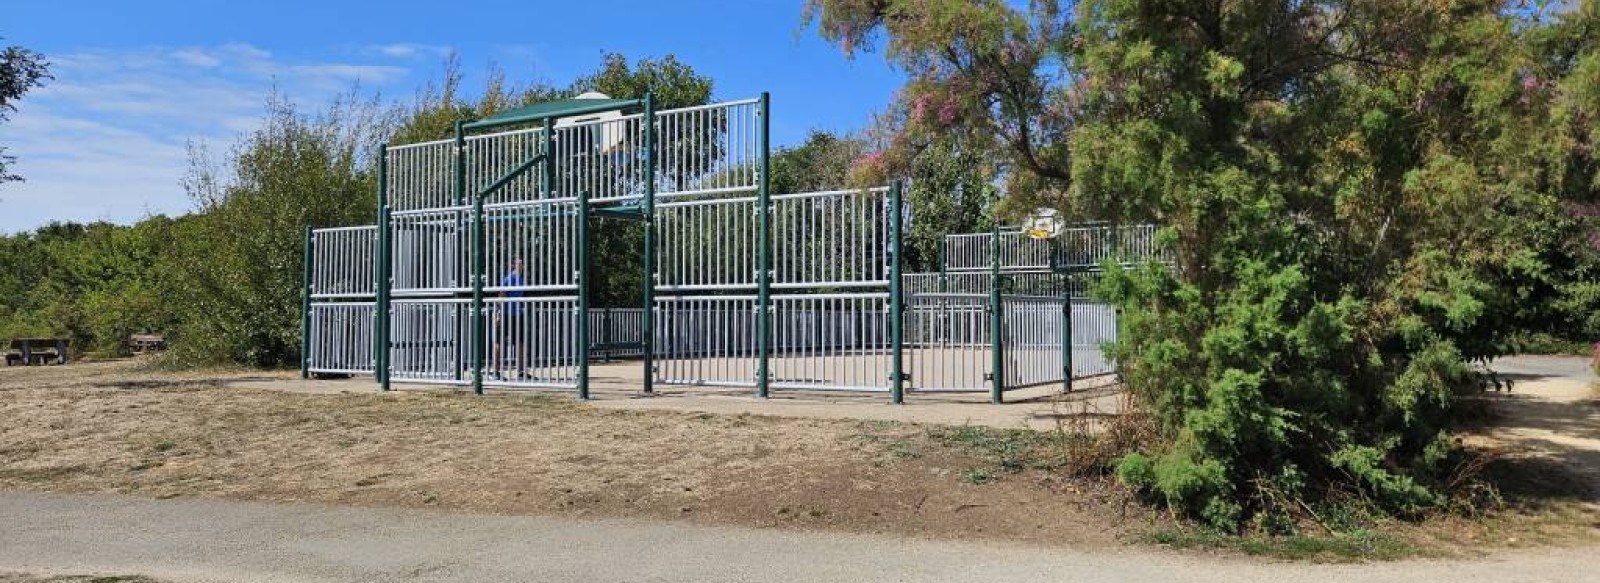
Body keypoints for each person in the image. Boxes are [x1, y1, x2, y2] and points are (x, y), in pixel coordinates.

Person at [492, 258, 527, 380]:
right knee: (499, 343)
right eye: (519, 264)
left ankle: (521, 372)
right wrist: (499, 314)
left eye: (522, 264)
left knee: (520, 343)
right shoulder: (508, 279)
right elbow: (501, 295)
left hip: (518, 315)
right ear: (513, 265)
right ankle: (495, 371)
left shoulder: (521, 280)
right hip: (506, 314)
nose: (521, 266)